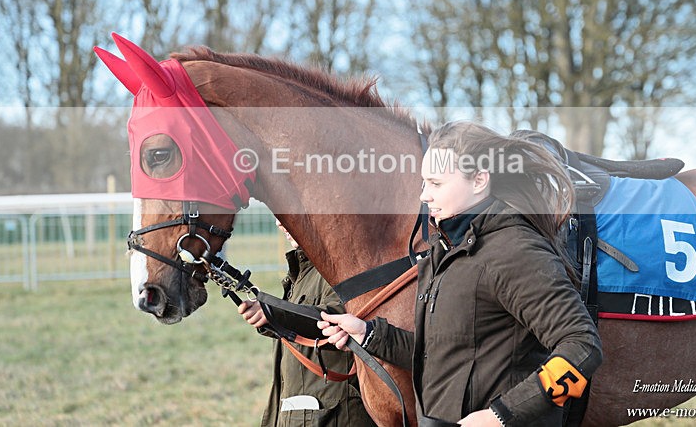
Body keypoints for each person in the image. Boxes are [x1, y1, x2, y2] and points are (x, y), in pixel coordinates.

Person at [318, 122, 603, 426]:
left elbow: (582, 346)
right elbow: (443, 353)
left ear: (479, 180)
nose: (424, 196)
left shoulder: (515, 250)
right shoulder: (444, 251)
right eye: (424, 183)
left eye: (436, 184)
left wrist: (502, 416)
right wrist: (370, 334)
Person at [239, 220, 376, 427]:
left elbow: (338, 317)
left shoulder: (341, 264)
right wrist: (270, 318)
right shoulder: (305, 270)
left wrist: (274, 313)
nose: (280, 223)